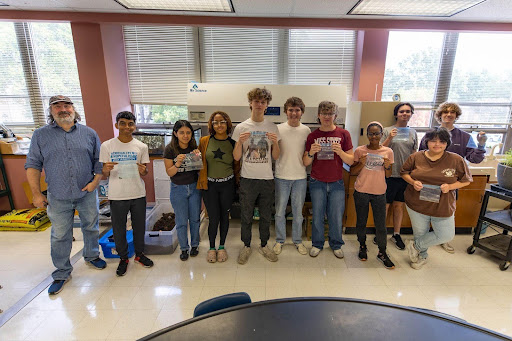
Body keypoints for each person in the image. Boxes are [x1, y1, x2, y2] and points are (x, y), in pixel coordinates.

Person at [25, 95, 106, 295]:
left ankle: (92, 255)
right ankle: (62, 271)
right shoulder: (40, 136)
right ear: (51, 110)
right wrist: (36, 194)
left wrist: (95, 183)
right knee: (60, 234)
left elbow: (99, 162)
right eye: (57, 106)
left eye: (67, 105)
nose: (63, 109)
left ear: (73, 108)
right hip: (58, 195)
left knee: (91, 226)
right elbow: (33, 164)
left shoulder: (89, 133)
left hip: (86, 192)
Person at [419, 102, 486, 253]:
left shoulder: (464, 137)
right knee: (426, 212)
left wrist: (481, 146)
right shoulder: (430, 135)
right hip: (429, 184)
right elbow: (420, 156)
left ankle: (444, 239)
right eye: (446, 112)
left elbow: (474, 159)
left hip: (451, 185)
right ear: (440, 115)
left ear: (456, 116)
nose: (449, 114)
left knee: (447, 214)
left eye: (452, 112)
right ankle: (424, 240)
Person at [402, 127, 472, 269]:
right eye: (433, 141)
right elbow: (404, 172)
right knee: (420, 232)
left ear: (447, 143)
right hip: (417, 202)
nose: (437, 144)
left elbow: (466, 180)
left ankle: (416, 246)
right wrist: (413, 182)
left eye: (442, 141)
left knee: (446, 235)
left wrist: (451, 187)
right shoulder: (416, 157)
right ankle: (422, 256)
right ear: (427, 141)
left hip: (443, 203)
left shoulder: (456, 159)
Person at [100, 111, 153, 277]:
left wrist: (144, 171)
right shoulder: (107, 146)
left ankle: (139, 254)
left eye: (130, 124)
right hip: (117, 194)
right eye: (122, 123)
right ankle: (123, 258)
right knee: (118, 229)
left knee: (139, 227)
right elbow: (104, 173)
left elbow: (144, 172)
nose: (127, 127)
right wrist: (105, 170)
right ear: (117, 125)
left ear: (134, 126)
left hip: (137, 193)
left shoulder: (141, 146)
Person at [232, 88, 280, 264]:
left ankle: (264, 245)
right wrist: (239, 142)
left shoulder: (272, 127)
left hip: (267, 179)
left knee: (266, 215)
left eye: (263, 102)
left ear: (267, 105)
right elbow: (236, 157)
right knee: (246, 214)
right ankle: (246, 246)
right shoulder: (241, 127)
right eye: (256, 101)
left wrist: (275, 143)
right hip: (247, 179)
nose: (259, 105)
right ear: (250, 103)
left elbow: (275, 156)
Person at [303, 101, 354, 259]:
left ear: (335, 116)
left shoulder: (343, 134)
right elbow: (306, 162)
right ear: (318, 115)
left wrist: (340, 152)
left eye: (330, 114)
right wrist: (311, 152)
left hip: (337, 182)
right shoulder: (312, 136)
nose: (327, 117)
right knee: (318, 214)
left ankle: (336, 244)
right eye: (324, 113)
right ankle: (317, 244)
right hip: (317, 181)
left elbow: (351, 161)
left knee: (336, 215)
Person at [351, 122, 395, 269]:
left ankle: (382, 251)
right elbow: (353, 172)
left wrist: (388, 166)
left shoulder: (388, 151)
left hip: (379, 193)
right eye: (371, 133)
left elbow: (388, 175)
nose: (374, 136)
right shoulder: (359, 150)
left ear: (382, 135)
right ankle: (362, 245)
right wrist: (361, 163)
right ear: (367, 135)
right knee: (361, 221)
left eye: (377, 133)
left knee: (381, 225)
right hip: (361, 191)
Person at [198, 111, 240, 263]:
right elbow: (199, 161)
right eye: (215, 122)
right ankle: (211, 247)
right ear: (211, 125)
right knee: (213, 218)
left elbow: (237, 164)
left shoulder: (233, 143)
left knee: (224, 217)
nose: (219, 125)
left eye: (222, 121)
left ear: (227, 124)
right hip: (209, 186)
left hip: (227, 185)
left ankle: (221, 246)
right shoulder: (204, 141)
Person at [273, 97, 311, 256]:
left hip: (300, 177)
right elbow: (274, 154)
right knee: (280, 211)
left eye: (297, 110)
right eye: (290, 110)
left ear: (302, 112)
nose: (294, 113)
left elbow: (308, 155)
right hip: (281, 176)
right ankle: (280, 240)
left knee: (297, 212)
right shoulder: (278, 129)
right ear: (285, 111)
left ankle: (297, 240)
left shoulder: (306, 131)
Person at [378, 102, 418, 250]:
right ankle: (381, 233)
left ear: (411, 114)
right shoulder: (387, 130)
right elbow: (380, 150)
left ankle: (396, 233)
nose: (405, 114)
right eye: (402, 111)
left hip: (405, 175)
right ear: (396, 114)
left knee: (399, 206)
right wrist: (389, 137)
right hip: (388, 174)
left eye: (408, 111)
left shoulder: (413, 132)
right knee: (385, 205)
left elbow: (414, 153)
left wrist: (414, 172)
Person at [164, 120, 202, 261]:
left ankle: (195, 245)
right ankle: (184, 248)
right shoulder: (170, 149)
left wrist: (198, 157)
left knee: (195, 219)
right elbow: (170, 172)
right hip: (177, 188)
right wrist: (178, 163)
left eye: (188, 132)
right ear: (175, 133)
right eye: (181, 132)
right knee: (181, 221)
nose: (185, 135)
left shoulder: (194, 147)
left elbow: (199, 169)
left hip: (194, 187)